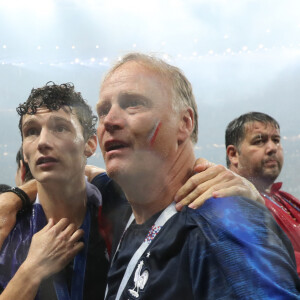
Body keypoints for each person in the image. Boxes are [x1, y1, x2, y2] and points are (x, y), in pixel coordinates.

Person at [97, 53, 300, 299]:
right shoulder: (133, 213)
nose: (109, 120)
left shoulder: (223, 226)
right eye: (103, 110)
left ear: (184, 122)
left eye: (133, 103)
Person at [0, 82, 110, 299]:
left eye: (60, 127)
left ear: (89, 143)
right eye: (31, 131)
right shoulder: (7, 227)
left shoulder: (120, 216)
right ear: (24, 152)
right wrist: (31, 271)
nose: (43, 142)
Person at [226, 111, 300, 276]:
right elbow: (275, 265)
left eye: (276, 140)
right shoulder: (229, 204)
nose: (272, 148)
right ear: (233, 155)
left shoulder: (284, 198)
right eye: (259, 141)